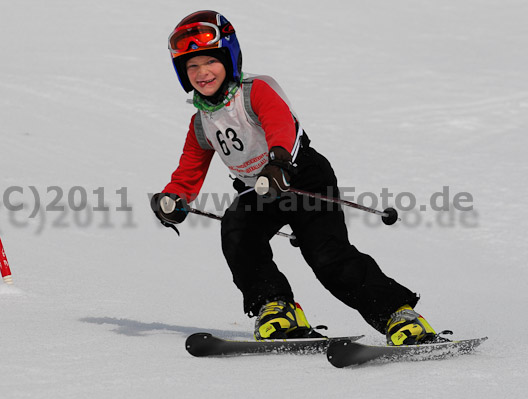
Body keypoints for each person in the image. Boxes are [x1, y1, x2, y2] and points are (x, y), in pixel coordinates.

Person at [151, 10, 436, 345]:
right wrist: (173, 198)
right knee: (237, 232)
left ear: (229, 58)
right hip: (258, 190)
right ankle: (276, 308)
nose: (202, 73)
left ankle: (398, 316)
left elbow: (279, 123)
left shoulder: (254, 90)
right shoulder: (201, 122)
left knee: (327, 257)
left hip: (302, 178)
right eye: (191, 67)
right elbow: (189, 169)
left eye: (209, 62)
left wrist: (278, 161)